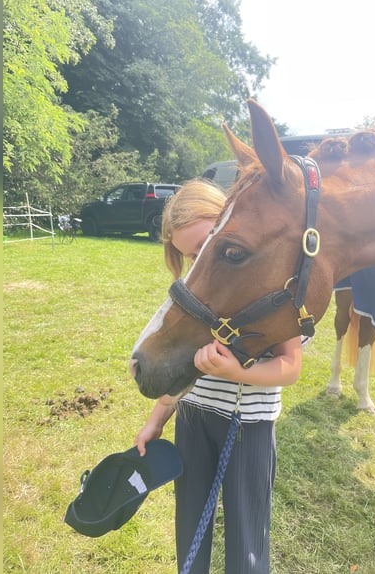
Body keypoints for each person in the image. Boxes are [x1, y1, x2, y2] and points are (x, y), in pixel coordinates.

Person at [134, 179, 303, 574]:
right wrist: (155, 420)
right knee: (191, 519)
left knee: (247, 532)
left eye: (210, 246)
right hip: (193, 418)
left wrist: (235, 368)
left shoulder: (271, 288)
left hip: (249, 426)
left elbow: (290, 367)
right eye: (194, 256)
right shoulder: (199, 295)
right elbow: (180, 369)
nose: (202, 264)